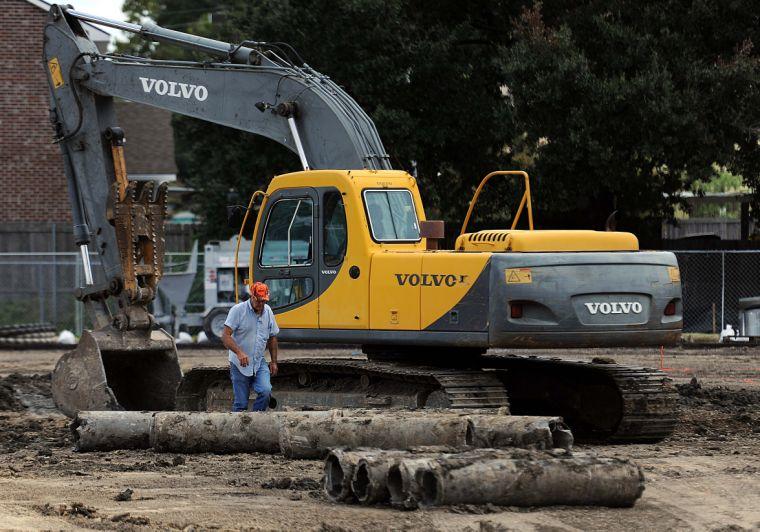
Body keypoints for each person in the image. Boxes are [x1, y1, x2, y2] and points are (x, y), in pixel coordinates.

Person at [221, 281, 279, 412]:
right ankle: (238, 429)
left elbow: (273, 337)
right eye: (259, 301)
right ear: (252, 296)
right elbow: (225, 336)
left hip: (259, 362)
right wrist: (239, 353)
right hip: (239, 363)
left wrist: (274, 361)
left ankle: (255, 420)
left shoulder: (268, 311)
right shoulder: (238, 310)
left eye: (264, 301)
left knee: (265, 391)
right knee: (241, 404)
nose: (261, 304)